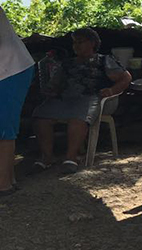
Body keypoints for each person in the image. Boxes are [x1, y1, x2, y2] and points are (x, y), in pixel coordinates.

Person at [33, 28, 131, 173]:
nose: (76, 46)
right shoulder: (67, 64)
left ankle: (71, 157)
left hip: (91, 98)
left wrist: (111, 90)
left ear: (92, 43)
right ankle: (47, 157)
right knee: (40, 115)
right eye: (74, 43)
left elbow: (126, 77)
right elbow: (55, 84)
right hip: (66, 99)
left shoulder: (104, 60)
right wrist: (52, 90)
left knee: (78, 118)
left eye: (80, 42)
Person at [0, 5, 34, 196]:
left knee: (4, 128)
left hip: (11, 69)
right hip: (5, 67)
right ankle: (9, 178)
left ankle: (3, 186)